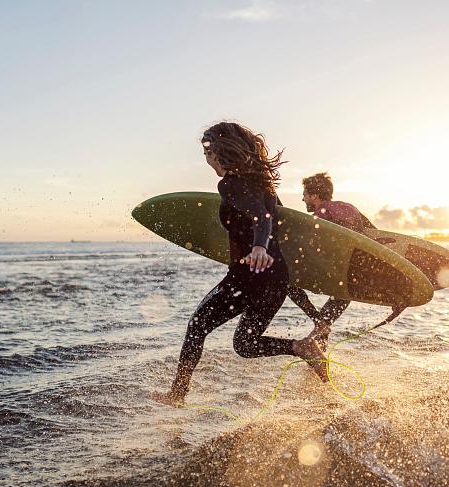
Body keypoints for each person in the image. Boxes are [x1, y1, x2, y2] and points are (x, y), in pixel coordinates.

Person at [151, 122, 328, 407]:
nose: (206, 157)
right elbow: (273, 225)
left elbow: (261, 218)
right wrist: (311, 311)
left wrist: (258, 247)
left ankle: (178, 394)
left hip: (250, 276)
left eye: (208, 150)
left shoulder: (230, 184)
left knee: (197, 325)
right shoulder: (266, 186)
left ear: (222, 151)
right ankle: (300, 347)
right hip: (276, 279)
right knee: (245, 344)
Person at [287, 172, 376, 345]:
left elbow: (305, 244)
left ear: (314, 195)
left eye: (304, 195)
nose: (303, 199)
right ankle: (321, 338)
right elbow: (374, 235)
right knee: (341, 296)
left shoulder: (322, 213)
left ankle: (317, 321)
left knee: (285, 282)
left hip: (335, 271)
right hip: (353, 275)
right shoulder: (351, 207)